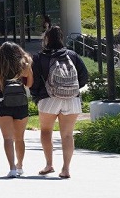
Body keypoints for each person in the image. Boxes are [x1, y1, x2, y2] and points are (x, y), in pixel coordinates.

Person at [31, 25, 90, 179]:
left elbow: (34, 81)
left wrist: (36, 96)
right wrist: (71, 88)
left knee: (46, 131)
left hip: (48, 98)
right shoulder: (72, 55)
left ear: (46, 39)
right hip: (72, 100)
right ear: (61, 38)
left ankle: (49, 164)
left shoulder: (39, 57)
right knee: (67, 135)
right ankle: (66, 169)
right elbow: (84, 76)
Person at [0, 41, 34, 178]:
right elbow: (29, 84)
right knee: (20, 138)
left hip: (3, 102)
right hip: (20, 104)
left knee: (7, 138)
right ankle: (20, 166)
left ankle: (11, 168)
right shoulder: (25, 66)